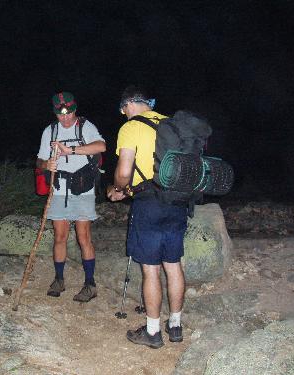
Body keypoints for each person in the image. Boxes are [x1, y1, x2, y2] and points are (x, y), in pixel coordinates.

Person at [107, 86, 186, 348]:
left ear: (127, 105)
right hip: (177, 202)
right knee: (173, 265)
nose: (124, 114)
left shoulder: (130, 127)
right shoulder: (171, 124)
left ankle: (153, 332)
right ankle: (175, 325)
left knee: (150, 268)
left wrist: (117, 189)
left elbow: (123, 173)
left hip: (149, 205)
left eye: (123, 110)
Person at [36, 92, 106, 302]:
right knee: (60, 236)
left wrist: (71, 150)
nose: (65, 118)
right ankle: (59, 279)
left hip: (83, 188)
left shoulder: (85, 126)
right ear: (55, 112)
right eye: (60, 114)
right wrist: (46, 165)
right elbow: (39, 160)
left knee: (83, 236)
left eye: (69, 113)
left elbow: (101, 146)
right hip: (59, 189)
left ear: (75, 109)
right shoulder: (50, 130)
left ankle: (90, 284)